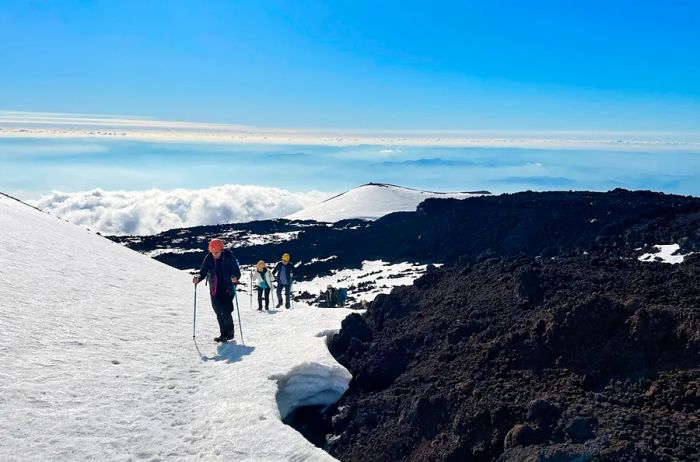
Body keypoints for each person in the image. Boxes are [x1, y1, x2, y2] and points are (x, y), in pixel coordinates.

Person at [192, 238, 241, 342]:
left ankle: (230, 333)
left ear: (221, 250)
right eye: (213, 252)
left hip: (227, 288)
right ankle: (223, 334)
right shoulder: (208, 258)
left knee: (225, 311)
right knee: (218, 311)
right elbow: (203, 271)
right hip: (214, 289)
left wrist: (235, 277)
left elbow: (236, 271)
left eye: (217, 252)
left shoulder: (228, 256)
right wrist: (198, 278)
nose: (214, 254)